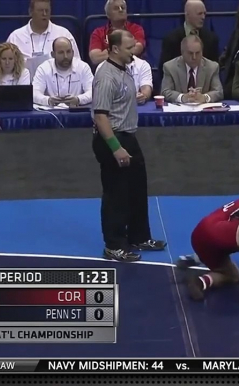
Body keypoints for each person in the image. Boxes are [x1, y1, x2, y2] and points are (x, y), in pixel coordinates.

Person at [91, 30, 166, 262]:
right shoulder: (106, 76)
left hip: (128, 135)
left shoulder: (125, 70)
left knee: (136, 187)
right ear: (114, 49)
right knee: (116, 192)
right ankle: (113, 244)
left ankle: (138, 236)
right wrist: (115, 147)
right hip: (111, 137)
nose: (133, 51)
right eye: (128, 47)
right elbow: (100, 116)